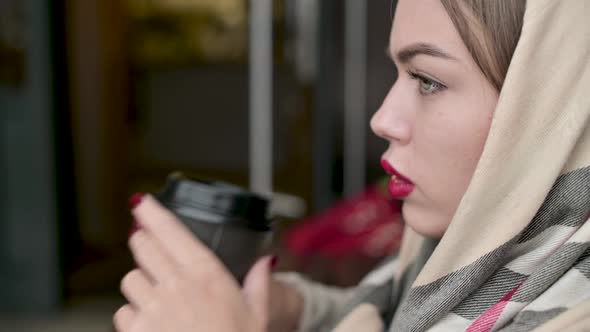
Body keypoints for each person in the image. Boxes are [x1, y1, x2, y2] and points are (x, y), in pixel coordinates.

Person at [113, 0, 590, 331]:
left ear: (549, 108)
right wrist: (287, 310)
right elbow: (380, 315)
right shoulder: (446, 262)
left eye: (427, 80)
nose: (382, 120)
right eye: (397, 74)